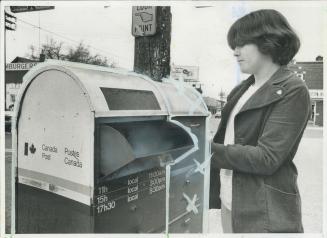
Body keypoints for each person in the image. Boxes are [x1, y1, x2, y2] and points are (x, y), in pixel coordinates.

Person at [209, 9, 311, 233]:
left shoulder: (293, 89)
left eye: (242, 44)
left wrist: (206, 152)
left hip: (263, 210)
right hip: (230, 201)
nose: (235, 52)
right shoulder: (241, 89)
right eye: (233, 46)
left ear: (268, 41)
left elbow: (267, 157)